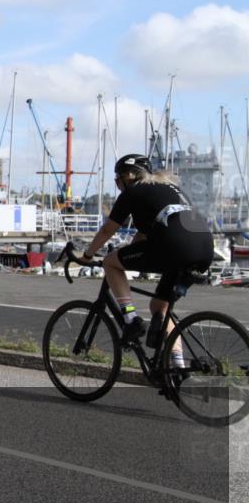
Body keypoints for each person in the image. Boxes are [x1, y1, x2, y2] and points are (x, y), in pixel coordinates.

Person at [81, 154, 213, 370]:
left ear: (130, 176)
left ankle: (131, 319)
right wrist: (128, 253)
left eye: (117, 179)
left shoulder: (133, 191)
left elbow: (107, 230)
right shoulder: (170, 189)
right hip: (204, 248)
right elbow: (142, 237)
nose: (117, 184)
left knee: (110, 263)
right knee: (160, 306)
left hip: (175, 246)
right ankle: (177, 367)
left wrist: (86, 256)